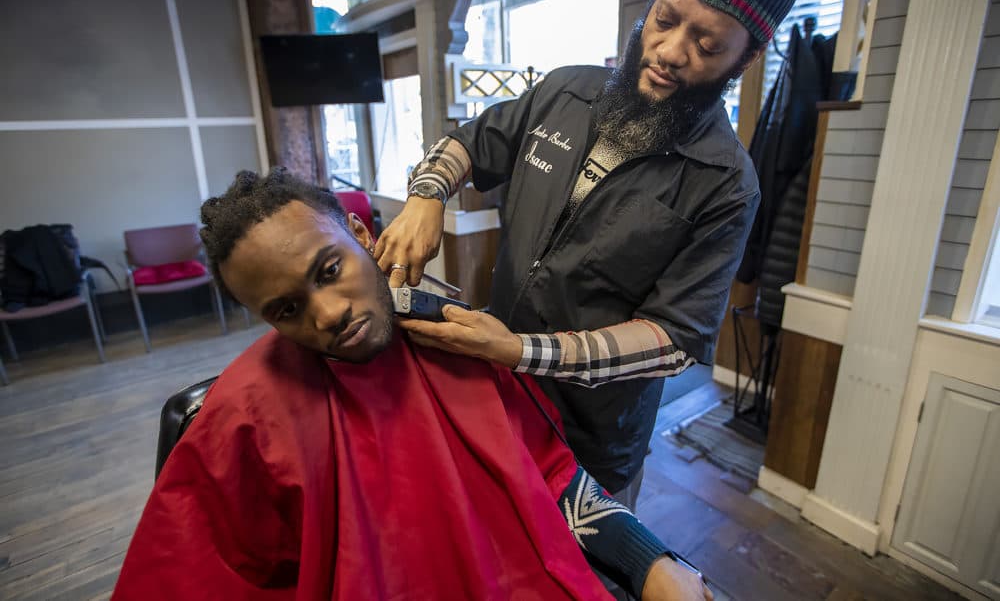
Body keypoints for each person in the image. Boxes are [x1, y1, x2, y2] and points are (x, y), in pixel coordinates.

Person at [112, 168, 712, 601]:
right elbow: (191, 574)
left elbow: (553, 476)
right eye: (286, 310)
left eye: (329, 271)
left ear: (361, 233)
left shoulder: (456, 342)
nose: (326, 315)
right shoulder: (243, 417)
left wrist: (649, 560)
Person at [377, 0, 802, 507]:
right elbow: (470, 143)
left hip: (592, 443)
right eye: (665, 19)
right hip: (496, 400)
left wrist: (524, 350)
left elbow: (672, 340)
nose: (671, 51)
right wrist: (426, 196)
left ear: (747, 58)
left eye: (706, 44)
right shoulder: (564, 90)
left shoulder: (726, 184)